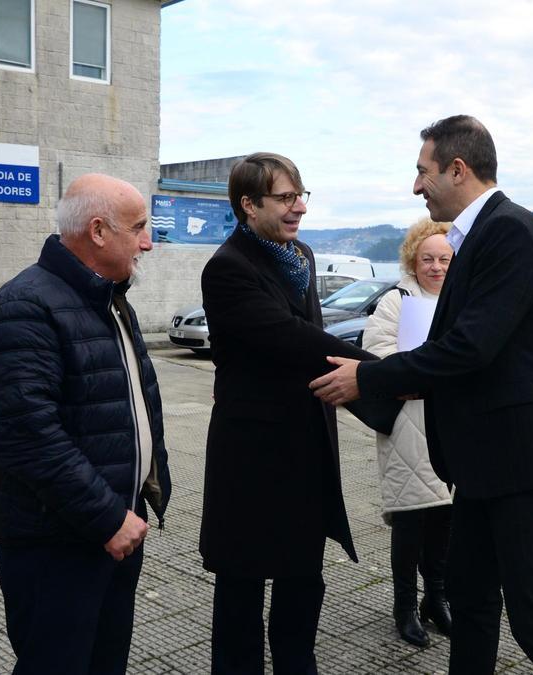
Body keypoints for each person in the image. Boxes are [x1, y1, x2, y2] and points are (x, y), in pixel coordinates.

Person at [311, 115, 533, 674]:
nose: (416, 186)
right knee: (469, 600)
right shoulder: (477, 237)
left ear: (457, 168)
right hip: (487, 466)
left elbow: (471, 348)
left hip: (530, 465)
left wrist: (367, 377)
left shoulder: (511, 231)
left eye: (422, 172)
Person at [0, 173, 172, 674]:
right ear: (100, 232)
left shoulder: (107, 299)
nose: (148, 242)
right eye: (140, 228)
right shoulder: (25, 307)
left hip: (112, 529)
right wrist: (107, 517)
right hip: (59, 543)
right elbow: (27, 436)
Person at [198, 152, 378, 674]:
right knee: (243, 583)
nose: (298, 207)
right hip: (252, 453)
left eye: (301, 195)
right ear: (248, 205)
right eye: (285, 198)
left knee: (303, 578)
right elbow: (291, 338)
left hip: (305, 445)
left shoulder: (301, 254)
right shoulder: (228, 268)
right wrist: (381, 372)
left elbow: (311, 344)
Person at [361, 218, 455, 647]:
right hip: (409, 424)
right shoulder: (396, 302)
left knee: (446, 519)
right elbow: (376, 355)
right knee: (410, 520)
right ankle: (404, 605)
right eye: (428, 259)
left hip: (453, 426)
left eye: (444, 259)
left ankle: (437, 598)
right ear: (413, 261)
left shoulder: (464, 299)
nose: (436, 267)